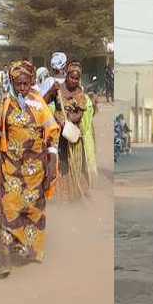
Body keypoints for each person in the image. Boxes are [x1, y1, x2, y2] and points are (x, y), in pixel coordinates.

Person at [0, 60, 60, 278]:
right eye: (18, 84)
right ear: (12, 82)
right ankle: (5, 261)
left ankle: (27, 247)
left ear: (31, 82)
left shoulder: (40, 105)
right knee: (8, 208)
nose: (22, 88)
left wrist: (52, 165)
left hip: (35, 172)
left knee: (32, 212)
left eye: (25, 84)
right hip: (10, 170)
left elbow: (52, 137)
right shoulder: (5, 106)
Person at [54, 60, 98, 200]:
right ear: (66, 76)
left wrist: (69, 120)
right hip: (59, 134)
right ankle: (61, 195)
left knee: (75, 164)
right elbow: (47, 105)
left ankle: (76, 193)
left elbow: (80, 113)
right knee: (61, 162)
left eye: (77, 78)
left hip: (73, 133)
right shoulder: (58, 89)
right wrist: (58, 118)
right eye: (71, 77)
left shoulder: (80, 92)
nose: (74, 80)